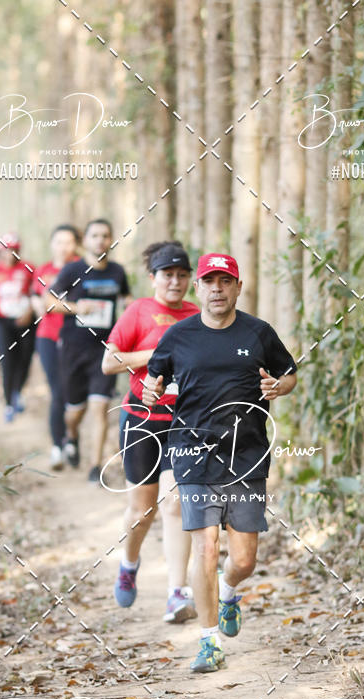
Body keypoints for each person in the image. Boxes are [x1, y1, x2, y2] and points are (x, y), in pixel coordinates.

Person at [142, 253, 297, 673]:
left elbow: (289, 374)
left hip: (246, 454)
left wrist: (278, 387)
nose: (216, 289)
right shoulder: (178, 336)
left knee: (243, 559)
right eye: (209, 281)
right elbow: (151, 381)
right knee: (205, 547)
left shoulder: (259, 332)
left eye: (224, 281)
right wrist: (149, 394)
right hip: (191, 450)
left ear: (237, 287)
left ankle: (229, 591)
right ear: (199, 288)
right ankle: (208, 641)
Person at [102, 241, 199, 623]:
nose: (175, 282)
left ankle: (178, 593)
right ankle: (129, 562)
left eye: (181, 275)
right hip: (141, 420)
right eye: (167, 275)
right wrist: (159, 353)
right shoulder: (138, 311)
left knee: (176, 504)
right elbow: (109, 363)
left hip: (185, 423)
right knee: (142, 511)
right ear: (153, 278)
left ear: (190, 278)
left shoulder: (199, 314)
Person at [46, 218, 130, 483]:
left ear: (111, 240)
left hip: (104, 349)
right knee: (74, 411)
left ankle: (95, 466)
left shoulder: (118, 271)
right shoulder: (73, 270)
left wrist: (130, 308)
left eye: (105, 236)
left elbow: (125, 299)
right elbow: (49, 301)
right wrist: (76, 308)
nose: (100, 241)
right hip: (73, 347)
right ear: (86, 241)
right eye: (95, 236)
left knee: (100, 406)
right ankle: (71, 435)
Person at [31, 224, 80, 470]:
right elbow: (36, 296)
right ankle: (58, 447)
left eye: (68, 242)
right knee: (58, 392)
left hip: (77, 340)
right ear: (52, 244)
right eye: (59, 241)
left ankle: (73, 438)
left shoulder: (83, 268)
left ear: (76, 245)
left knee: (74, 394)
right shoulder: (43, 270)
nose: (63, 247)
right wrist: (37, 304)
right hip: (48, 336)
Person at [0, 233, 35, 422]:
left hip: (26, 320)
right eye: (7, 250)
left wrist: (30, 311)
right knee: (7, 361)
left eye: (14, 250)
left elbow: (36, 292)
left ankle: (17, 391)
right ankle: (8, 404)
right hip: (3, 322)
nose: (10, 255)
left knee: (26, 358)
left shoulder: (28, 269)